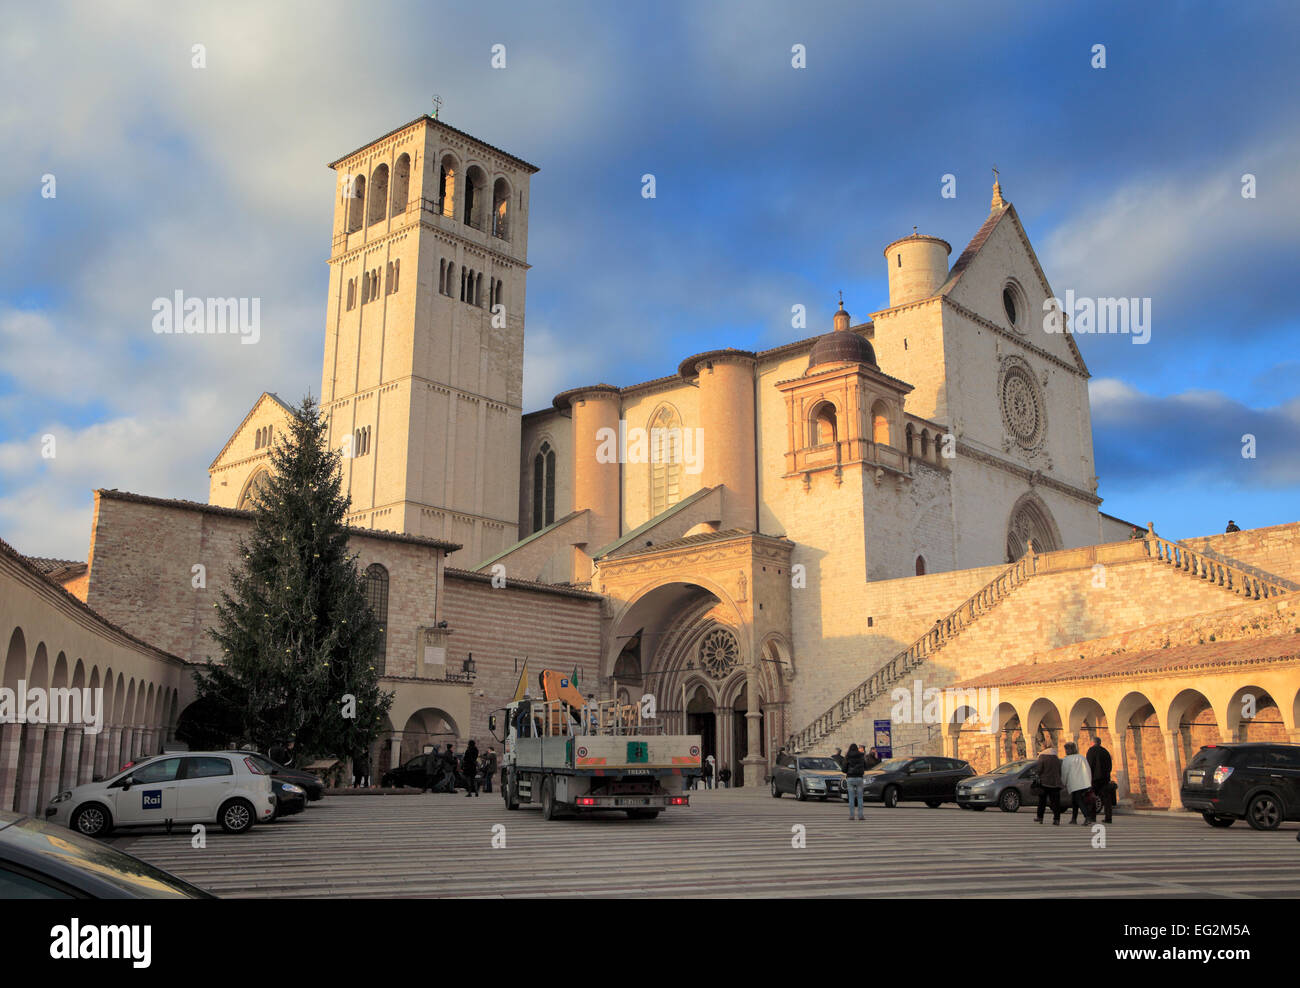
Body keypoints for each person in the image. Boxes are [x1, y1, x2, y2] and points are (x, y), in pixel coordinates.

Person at [1061, 741, 1093, 824]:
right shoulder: (1082, 757)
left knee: (1078, 800)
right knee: (1074, 801)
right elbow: (1088, 770)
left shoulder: (1067, 760)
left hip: (1074, 783)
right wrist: (1089, 781)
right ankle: (1074, 818)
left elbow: (1065, 772)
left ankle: (1087, 816)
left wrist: (1063, 782)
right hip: (1083, 782)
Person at [1086, 736, 1114, 824]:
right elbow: (1110, 765)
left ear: (1092, 742)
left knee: (1092, 797)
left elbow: (1089, 765)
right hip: (1105, 778)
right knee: (1106, 799)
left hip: (1094, 779)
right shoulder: (1105, 751)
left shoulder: (1090, 751)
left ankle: (1092, 817)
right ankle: (1108, 817)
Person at [1034, 743, 1063, 825]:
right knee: (1055, 802)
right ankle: (1056, 819)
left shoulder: (1042, 757)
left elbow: (1039, 769)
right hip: (1055, 783)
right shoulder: (1056, 758)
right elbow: (1060, 771)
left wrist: (1037, 774)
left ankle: (1040, 817)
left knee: (1042, 801)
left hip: (1045, 782)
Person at [843, 743, 867, 820]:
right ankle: (860, 815)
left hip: (850, 778)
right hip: (859, 778)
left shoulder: (847, 756)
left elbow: (844, 769)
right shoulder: (861, 756)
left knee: (851, 798)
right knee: (860, 798)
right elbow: (866, 766)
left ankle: (852, 815)